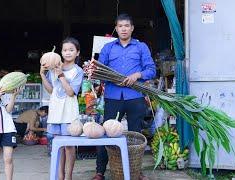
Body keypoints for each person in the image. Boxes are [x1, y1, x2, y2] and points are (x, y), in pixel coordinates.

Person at [92, 14, 156, 180]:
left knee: (136, 135)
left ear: (132, 28)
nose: (124, 29)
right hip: (113, 96)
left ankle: (137, 171)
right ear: (116, 28)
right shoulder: (108, 48)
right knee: (106, 133)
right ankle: (100, 172)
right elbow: (99, 72)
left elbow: (152, 70)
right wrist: (112, 78)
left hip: (135, 96)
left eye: (127, 26)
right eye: (120, 26)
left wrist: (137, 74)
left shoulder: (141, 47)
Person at [40, 37, 84, 180]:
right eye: (65, 50)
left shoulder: (78, 71)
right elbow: (51, 90)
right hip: (55, 113)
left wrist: (60, 75)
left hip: (69, 113)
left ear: (77, 53)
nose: (68, 53)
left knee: (69, 147)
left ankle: (69, 176)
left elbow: (71, 92)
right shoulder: (52, 68)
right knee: (58, 146)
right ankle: (60, 176)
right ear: (61, 52)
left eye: (71, 50)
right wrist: (42, 74)